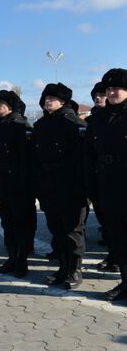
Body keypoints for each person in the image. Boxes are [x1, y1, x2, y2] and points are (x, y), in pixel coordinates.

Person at [33, 83, 87, 289]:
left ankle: (75, 270)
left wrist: (83, 189)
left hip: (71, 185)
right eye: (46, 98)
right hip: (48, 185)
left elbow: (83, 160)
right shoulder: (40, 126)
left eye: (52, 99)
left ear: (63, 101)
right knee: (56, 229)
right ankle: (63, 268)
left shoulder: (74, 124)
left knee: (73, 230)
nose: (48, 102)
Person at [85, 68, 127, 300]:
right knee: (116, 237)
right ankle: (125, 281)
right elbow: (89, 153)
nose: (111, 92)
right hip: (107, 184)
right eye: (108, 89)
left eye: (117, 88)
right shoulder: (99, 118)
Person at [0, 90, 37, 278]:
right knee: (7, 222)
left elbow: (27, 160)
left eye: (3, 102)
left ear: (12, 106)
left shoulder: (21, 126)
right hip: (0, 181)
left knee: (20, 223)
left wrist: (24, 183)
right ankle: (12, 257)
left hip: (18, 182)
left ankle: (22, 259)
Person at [85, 82, 118, 272]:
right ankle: (113, 254)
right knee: (105, 219)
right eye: (96, 95)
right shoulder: (92, 120)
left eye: (102, 94)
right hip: (99, 175)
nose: (99, 97)